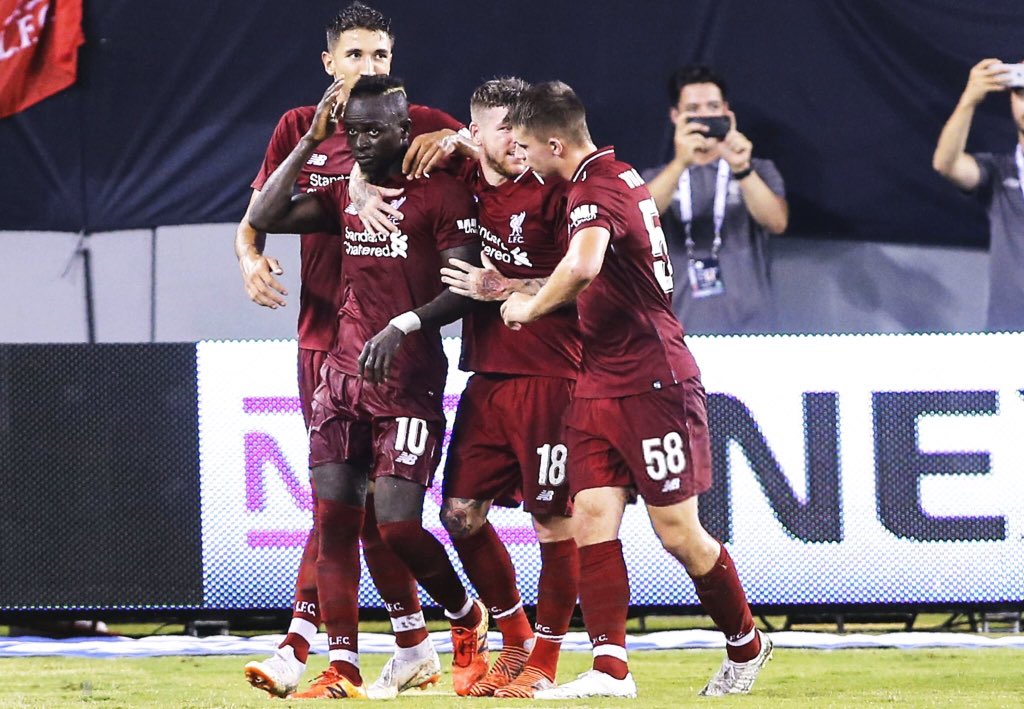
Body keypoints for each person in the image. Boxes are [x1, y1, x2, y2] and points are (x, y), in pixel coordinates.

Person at [501, 81, 773, 699]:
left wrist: (528, 310)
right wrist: (517, 287)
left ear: (554, 144)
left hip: (654, 380)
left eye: (527, 146)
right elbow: (598, 274)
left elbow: (584, 266)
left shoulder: (595, 188)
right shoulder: (616, 175)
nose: (524, 158)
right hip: (599, 380)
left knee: (678, 533)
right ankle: (610, 669)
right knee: (590, 518)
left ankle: (746, 643)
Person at [237, 3, 466, 699]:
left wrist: (458, 141)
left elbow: (492, 153)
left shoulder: (417, 121)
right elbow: (257, 217)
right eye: (356, 54)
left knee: (372, 512)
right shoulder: (298, 127)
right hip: (322, 339)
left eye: (381, 55)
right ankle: (406, 644)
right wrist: (249, 257)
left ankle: (301, 644)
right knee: (343, 505)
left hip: (396, 350)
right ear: (328, 62)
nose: (369, 67)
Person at [430, 77, 581, 698]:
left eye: (524, 127)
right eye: (505, 129)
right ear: (476, 134)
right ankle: (514, 637)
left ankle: (542, 662)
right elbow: (392, 133)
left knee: (552, 521)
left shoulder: (555, 191)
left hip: (552, 376)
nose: (519, 140)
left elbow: (587, 278)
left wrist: (509, 288)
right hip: (488, 375)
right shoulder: (463, 177)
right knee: (459, 514)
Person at [643, 65, 787, 334]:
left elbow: (777, 222)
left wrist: (741, 168)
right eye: (693, 109)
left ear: (726, 112)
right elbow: (636, 221)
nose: (704, 117)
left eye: (712, 107)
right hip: (676, 333)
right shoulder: (654, 178)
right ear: (675, 116)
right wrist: (680, 163)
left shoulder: (757, 169)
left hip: (751, 332)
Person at [933, 58, 1024, 331]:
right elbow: (946, 164)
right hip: (1006, 334)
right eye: (1021, 93)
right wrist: (969, 100)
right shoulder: (998, 171)